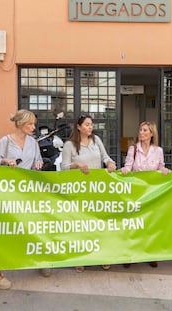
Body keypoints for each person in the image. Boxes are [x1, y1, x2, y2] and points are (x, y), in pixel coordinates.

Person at [0, 109, 47, 289]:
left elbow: (39, 161)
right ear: (20, 124)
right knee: (4, 230)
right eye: (30, 124)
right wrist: (4, 161)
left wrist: (39, 164)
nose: (33, 127)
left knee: (33, 227)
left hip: (28, 193)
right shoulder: (5, 141)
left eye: (34, 124)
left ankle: (40, 261)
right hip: (7, 194)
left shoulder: (33, 143)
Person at [61, 114, 116, 272]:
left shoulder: (96, 140)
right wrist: (76, 164)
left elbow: (105, 157)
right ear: (78, 127)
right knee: (81, 223)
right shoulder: (69, 145)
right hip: (79, 189)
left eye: (91, 124)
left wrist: (110, 163)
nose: (90, 127)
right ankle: (81, 257)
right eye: (86, 124)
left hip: (97, 188)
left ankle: (102, 256)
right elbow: (64, 166)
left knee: (98, 223)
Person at [121, 121, 170, 268]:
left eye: (145, 130)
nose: (141, 133)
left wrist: (164, 169)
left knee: (150, 224)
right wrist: (125, 169)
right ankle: (130, 255)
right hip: (136, 193)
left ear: (152, 133)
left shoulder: (158, 150)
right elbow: (129, 166)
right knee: (134, 225)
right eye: (140, 130)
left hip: (152, 193)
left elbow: (160, 166)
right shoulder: (133, 149)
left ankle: (149, 254)